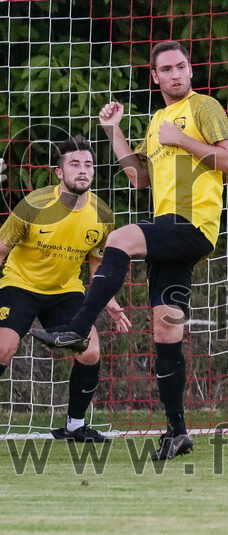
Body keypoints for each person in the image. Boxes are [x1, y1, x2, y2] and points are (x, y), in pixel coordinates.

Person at [32, 40, 228, 461]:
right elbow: (139, 179)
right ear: (155, 77)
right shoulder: (158, 120)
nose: (176, 74)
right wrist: (113, 130)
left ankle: (76, 326)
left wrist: (181, 138)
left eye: (182, 66)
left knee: (119, 237)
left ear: (190, 71)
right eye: (167, 69)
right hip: (170, 237)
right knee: (166, 331)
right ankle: (177, 432)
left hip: (192, 222)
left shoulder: (204, 108)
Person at [0, 136, 130, 442]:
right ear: (59, 172)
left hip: (66, 290)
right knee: (4, 348)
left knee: (90, 351)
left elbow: (98, 266)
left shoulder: (102, 215)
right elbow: (1, 250)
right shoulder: (34, 204)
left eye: (88, 165)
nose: (82, 170)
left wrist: (108, 300)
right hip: (20, 283)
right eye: (74, 164)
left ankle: (74, 426)